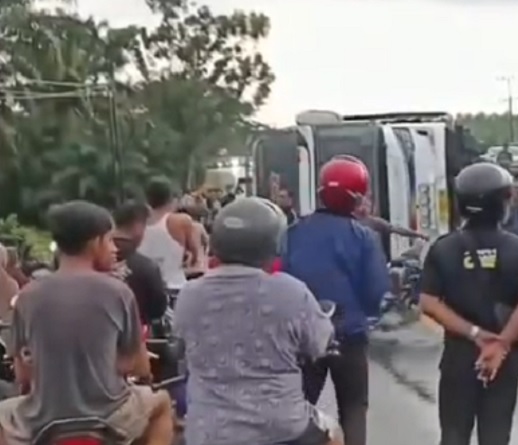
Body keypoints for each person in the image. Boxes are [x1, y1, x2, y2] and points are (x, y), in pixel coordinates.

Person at [0, 201, 173, 445]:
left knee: (3, 414)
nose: (114, 249)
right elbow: (138, 367)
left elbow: (22, 373)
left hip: (42, 417)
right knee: (162, 403)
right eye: (110, 240)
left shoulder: (28, 295)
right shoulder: (118, 292)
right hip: (108, 414)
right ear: (95, 243)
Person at [174, 197, 342, 445]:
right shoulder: (290, 291)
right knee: (334, 433)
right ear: (275, 244)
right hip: (281, 428)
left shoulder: (190, 294)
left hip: (209, 431)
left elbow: (181, 342)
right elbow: (319, 342)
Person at [419, 162, 518, 445]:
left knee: (453, 434)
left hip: (460, 357)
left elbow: (428, 302)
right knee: (496, 435)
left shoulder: (444, 248)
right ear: (501, 203)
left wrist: (474, 334)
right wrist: (501, 343)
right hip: (505, 360)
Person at [283, 156, 390, 445]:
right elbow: (376, 291)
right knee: (354, 408)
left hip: (301, 337)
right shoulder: (363, 236)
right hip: (349, 335)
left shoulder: (293, 233)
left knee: (298, 410)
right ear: (357, 198)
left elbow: (282, 280)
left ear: (321, 191)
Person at [137, 177, 200, 292]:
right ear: (171, 198)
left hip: (144, 289)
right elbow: (196, 257)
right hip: (174, 286)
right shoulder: (181, 221)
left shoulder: (137, 221)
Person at [113, 201, 168, 325]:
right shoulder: (146, 267)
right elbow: (157, 310)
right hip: (134, 336)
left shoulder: (87, 260)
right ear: (138, 226)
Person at [353, 196, 428, 244]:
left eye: (367, 204)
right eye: (362, 204)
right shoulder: (350, 222)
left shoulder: (374, 222)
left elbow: (396, 229)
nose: (366, 207)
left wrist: (418, 234)